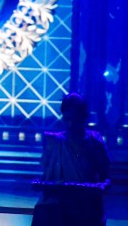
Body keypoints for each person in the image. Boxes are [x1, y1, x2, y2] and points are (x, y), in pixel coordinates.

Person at [32, 92, 111, 226]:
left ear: (84, 117)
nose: (72, 124)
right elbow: (47, 177)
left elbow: (106, 178)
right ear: (63, 118)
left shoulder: (95, 142)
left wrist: (101, 186)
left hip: (86, 208)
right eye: (68, 119)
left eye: (76, 119)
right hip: (57, 209)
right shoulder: (54, 143)